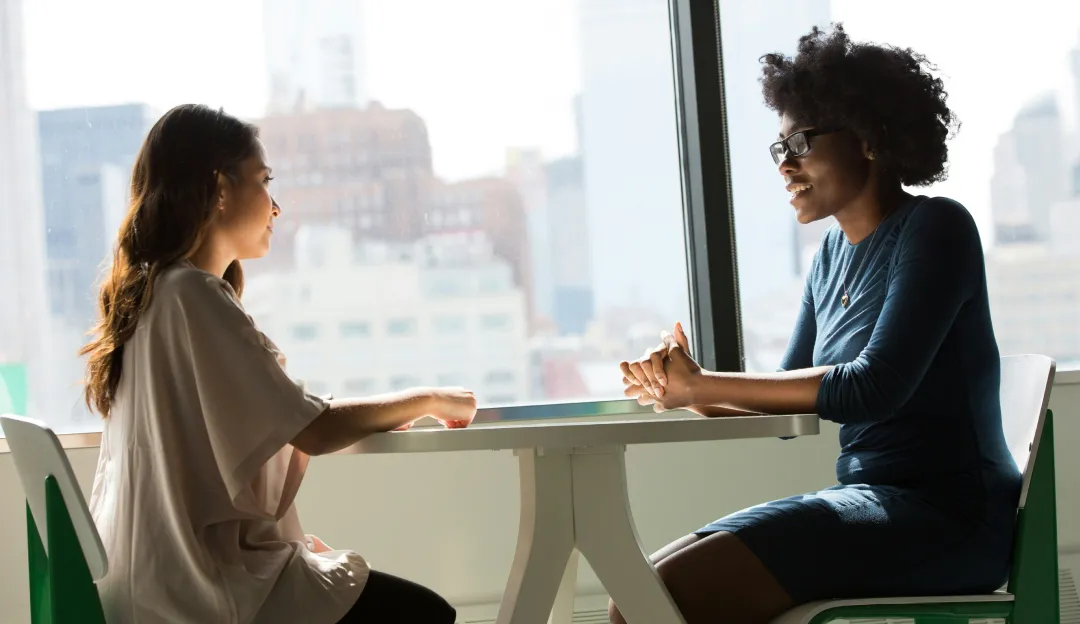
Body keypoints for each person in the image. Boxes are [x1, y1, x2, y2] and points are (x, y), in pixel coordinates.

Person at [614, 24, 1020, 624]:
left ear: (869, 139)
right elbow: (793, 406)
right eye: (779, 149)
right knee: (638, 603)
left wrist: (705, 384)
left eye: (800, 143)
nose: (785, 165)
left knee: (662, 606)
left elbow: (871, 387)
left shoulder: (937, 228)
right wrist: (689, 394)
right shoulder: (830, 257)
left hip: (948, 517)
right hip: (870, 503)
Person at [82, 103, 476, 624]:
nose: (277, 206)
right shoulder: (190, 296)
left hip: (149, 584)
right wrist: (430, 399)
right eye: (265, 181)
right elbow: (312, 427)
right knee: (427, 615)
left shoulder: (152, 296)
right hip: (200, 590)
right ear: (220, 189)